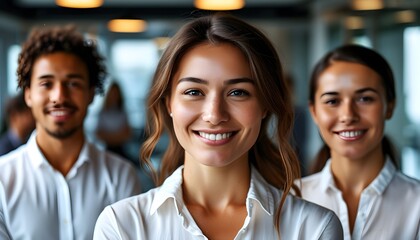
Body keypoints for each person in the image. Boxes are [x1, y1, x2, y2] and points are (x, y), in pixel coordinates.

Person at [94, 13, 343, 239]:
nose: (214, 114)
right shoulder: (122, 225)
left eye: (237, 92)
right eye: (193, 91)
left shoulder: (312, 228)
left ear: (265, 104)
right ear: (169, 102)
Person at [0, 25, 142, 239]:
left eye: (73, 83)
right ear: (28, 94)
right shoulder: (2, 181)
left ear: (91, 94)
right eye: (46, 83)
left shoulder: (120, 176)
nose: (59, 96)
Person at [300, 44, 420, 240]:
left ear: (389, 106)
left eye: (364, 99)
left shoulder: (417, 203)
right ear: (314, 111)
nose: (348, 115)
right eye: (332, 101)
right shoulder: (288, 200)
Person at [96, 81, 132, 160]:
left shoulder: (122, 112)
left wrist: (110, 136)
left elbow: (127, 134)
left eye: (116, 93)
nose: (114, 96)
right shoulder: (103, 113)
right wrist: (118, 136)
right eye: (112, 93)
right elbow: (99, 134)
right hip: (108, 149)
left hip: (121, 150)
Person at [0, 91, 35, 156]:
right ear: (14, 116)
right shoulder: (3, 150)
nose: (32, 118)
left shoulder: (27, 142)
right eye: (27, 114)